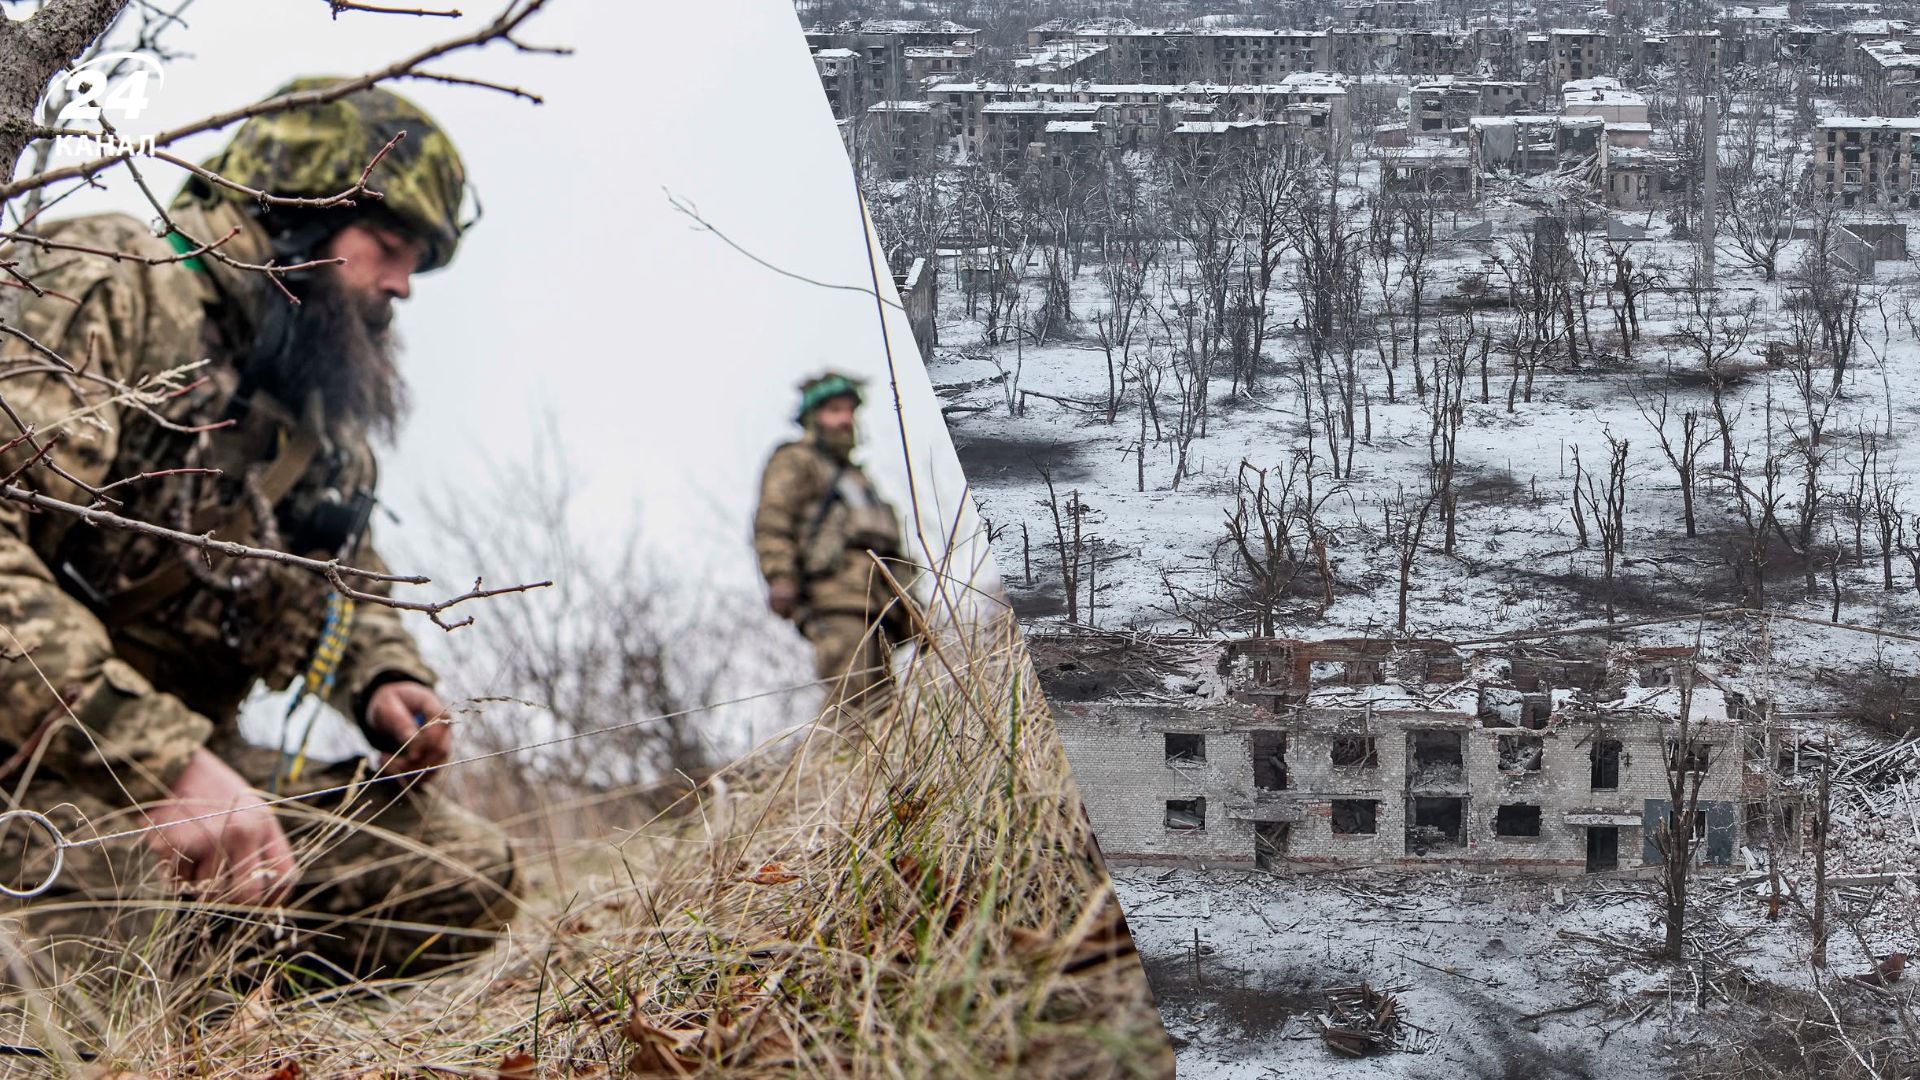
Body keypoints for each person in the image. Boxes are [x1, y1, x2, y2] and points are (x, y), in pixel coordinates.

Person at [0, 78, 517, 985]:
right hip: (39, 759)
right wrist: (161, 763)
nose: (400, 285)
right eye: (388, 246)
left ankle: (202, 988)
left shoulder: (308, 412)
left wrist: (384, 675)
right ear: (294, 218)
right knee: (101, 917)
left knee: (458, 874)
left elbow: (343, 570)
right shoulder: (113, 278)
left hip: (191, 773)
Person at [753, 373, 916, 725]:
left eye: (850, 411)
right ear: (813, 416)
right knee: (852, 699)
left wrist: (911, 602)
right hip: (835, 596)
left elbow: (888, 542)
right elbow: (773, 521)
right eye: (834, 410)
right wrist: (780, 577)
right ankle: (834, 773)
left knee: (886, 706)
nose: (846, 419)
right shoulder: (795, 460)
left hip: (882, 601)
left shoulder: (858, 478)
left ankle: (884, 775)